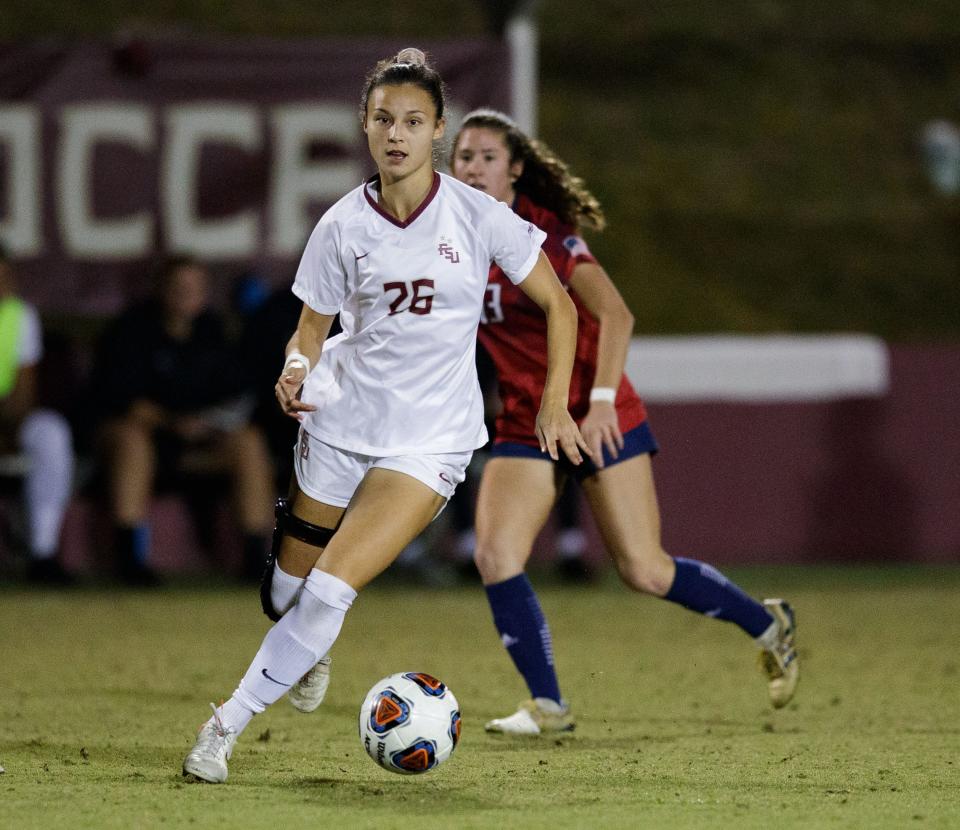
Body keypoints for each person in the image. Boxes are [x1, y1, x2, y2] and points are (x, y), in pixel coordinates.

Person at [181, 48, 588, 783]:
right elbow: (311, 328)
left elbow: (560, 305)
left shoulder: (478, 216)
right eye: (382, 119)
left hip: (429, 441)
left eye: (412, 121)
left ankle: (222, 728)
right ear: (365, 128)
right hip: (340, 423)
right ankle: (309, 639)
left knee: (331, 589)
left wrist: (557, 400)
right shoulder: (342, 226)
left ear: (436, 131)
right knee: (285, 594)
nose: (396, 134)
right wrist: (296, 366)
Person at [450, 109, 799, 735]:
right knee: (497, 555)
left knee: (644, 570)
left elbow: (616, 314)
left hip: (593, 412)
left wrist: (604, 398)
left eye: (487, 157)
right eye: (464, 157)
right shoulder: (447, 237)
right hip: (528, 422)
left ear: (516, 169)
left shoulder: (546, 234)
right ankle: (550, 705)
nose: (472, 168)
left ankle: (769, 624)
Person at [90, 256, 275, 584]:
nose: (186, 295)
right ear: (160, 289)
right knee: (131, 440)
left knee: (248, 441)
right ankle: (129, 557)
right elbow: (123, 400)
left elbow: (238, 394)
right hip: (145, 441)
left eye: (195, 288)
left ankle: (256, 557)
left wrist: (213, 423)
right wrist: (173, 423)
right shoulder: (132, 329)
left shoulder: (212, 331)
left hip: (199, 444)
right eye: (178, 287)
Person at [0, 246, 75, 585]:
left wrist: (9, 431)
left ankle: (42, 551)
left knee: (50, 433)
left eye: (5, 277)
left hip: (7, 421)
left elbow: (24, 392)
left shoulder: (19, 315)